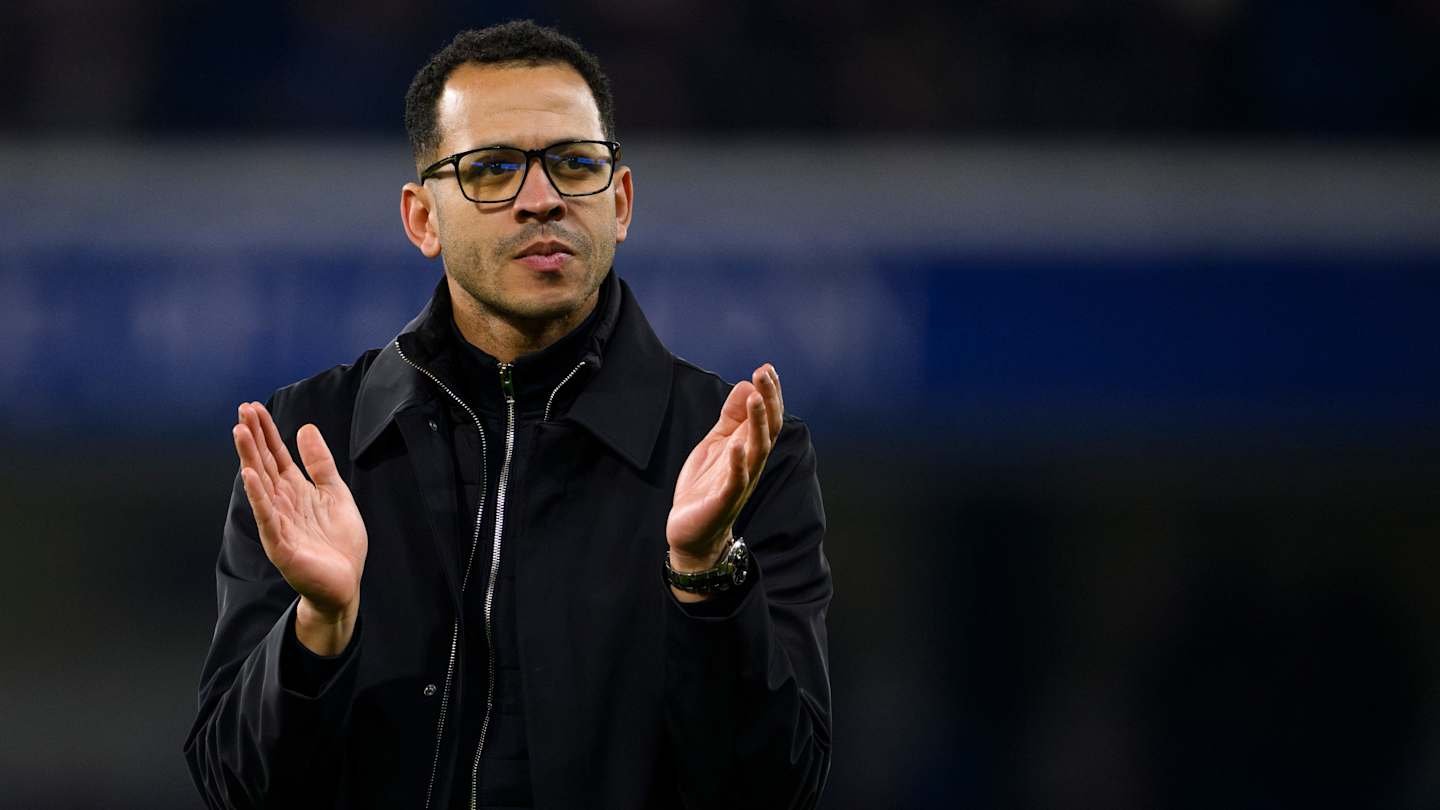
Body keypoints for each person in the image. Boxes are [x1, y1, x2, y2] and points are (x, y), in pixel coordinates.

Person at [183, 20, 832, 810]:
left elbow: (778, 790)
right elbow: (233, 789)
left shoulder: (741, 455)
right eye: (491, 169)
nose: (542, 199)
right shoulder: (312, 442)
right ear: (422, 219)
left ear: (619, 203)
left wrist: (706, 579)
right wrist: (320, 627)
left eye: (575, 164)